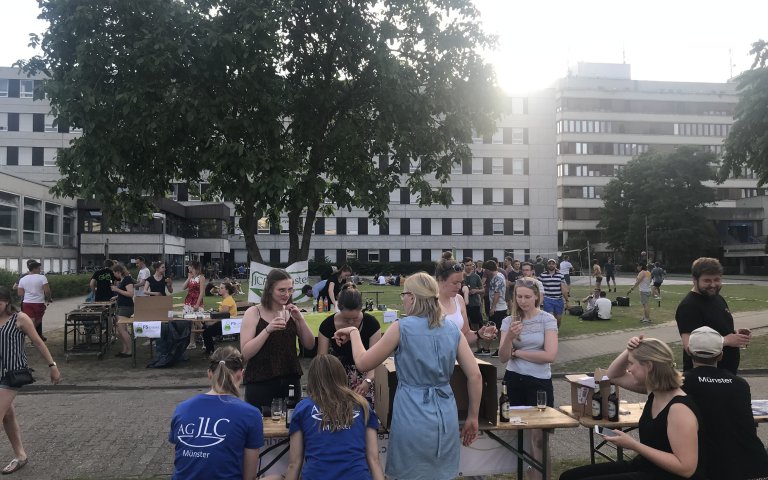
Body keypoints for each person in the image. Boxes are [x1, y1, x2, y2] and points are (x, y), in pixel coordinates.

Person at [333, 272, 482, 480]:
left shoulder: (401, 327)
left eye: (403, 294)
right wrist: (473, 416)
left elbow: (363, 362)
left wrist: (354, 333)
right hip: (445, 412)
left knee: (410, 473)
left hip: (412, 411)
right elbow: (475, 375)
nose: (402, 299)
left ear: (412, 297)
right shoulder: (450, 328)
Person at [560, 336, 705, 480]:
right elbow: (613, 375)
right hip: (646, 467)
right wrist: (629, 349)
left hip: (665, 475)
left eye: (631, 364)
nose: (628, 369)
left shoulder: (679, 409)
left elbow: (686, 468)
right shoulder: (654, 391)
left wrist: (633, 445)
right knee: (568, 476)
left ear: (648, 366)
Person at [681, 326, 768, 479]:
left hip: (709, 466)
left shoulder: (681, 382)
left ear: (688, 351)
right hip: (750, 463)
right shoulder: (740, 384)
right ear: (720, 355)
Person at [168, 346, 265, 480]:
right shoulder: (251, 414)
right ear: (241, 374)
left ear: (209, 374)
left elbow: (179, 463)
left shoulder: (182, 408)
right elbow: (249, 476)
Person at [285, 354, 384, 480]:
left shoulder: (302, 408)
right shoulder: (363, 405)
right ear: (341, 375)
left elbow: (294, 464)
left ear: (312, 379)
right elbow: (374, 459)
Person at [499, 277, 558, 480]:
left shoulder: (547, 319)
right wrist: (508, 338)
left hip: (539, 382)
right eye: (519, 296)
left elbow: (549, 356)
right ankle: (526, 476)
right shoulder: (509, 321)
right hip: (514, 380)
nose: (523, 301)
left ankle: (543, 477)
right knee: (519, 434)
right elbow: (502, 357)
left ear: (537, 297)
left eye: (527, 297)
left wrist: (518, 353)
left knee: (539, 438)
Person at [0, 286, 61, 475]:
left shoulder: (20, 318)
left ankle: (20, 456)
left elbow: (38, 341)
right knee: (7, 415)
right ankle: (20, 456)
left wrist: (52, 366)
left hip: (12, 374)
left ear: (7, 302)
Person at [240, 269, 315, 411]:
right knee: (260, 426)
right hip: (260, 380)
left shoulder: (292, 312)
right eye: (281, 290)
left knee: (290, 424)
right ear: (269, 290)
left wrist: (300, 320)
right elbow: (245, 353)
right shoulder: (254, 312)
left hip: (290, 379)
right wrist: (267, 330)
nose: (287, 294)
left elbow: (310, 344)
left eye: (290, 289)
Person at [675, 257, 748, 375]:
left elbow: (717, 328)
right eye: (707, 280)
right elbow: (689, 346)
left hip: (725, 373)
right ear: (694, 279)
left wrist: (735, 334)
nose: (713, 285)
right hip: (703, 376)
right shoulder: (689, 306)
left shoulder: (717, 298)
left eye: (717, 279)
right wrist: (727, 340)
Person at [316, 284, 381, 402]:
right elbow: (322, 360)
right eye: (346, 319)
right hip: (337, 377)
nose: (351, 322)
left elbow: (375, 360)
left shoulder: (371, 324)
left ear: (361, 309)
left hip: (367, 377)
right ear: (339, 309)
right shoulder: (327, 325)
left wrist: (368, 381)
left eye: (355, 318)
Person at [435, 259, 496, 355]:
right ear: (440, 280)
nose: (459, 287)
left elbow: (465, 335)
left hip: (455, 359)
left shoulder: (459, 300)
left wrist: (479, 334)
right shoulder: (428, 302)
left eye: (461, 282)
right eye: (455, 283)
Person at [17, 260, 51, 341]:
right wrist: (49, 299)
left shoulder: (23, 279)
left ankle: (27, 335)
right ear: (34, 269)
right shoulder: (42, 277)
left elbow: (20, 293)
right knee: (38, 321)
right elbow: (47, 291)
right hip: (38, 302)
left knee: (30, 321)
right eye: (39, 268)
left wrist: (29, 293)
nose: (40, 270)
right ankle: (28, 335)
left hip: (27, 303)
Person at [202, 282, 238, 355]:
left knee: (206, 332)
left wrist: (211, 323)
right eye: (220, 287)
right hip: (226, 323)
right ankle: (210, 349)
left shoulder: (227, 300)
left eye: (222, 288)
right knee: (206, 329)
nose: (219, 289)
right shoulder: (227, 299)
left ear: (227, 290)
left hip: (228, 325)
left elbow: (222, 317)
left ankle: (210, 351)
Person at [111, 263, 135, 358]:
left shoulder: (127, 279)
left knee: (122, 329)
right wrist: (117, 296)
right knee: (121, 330)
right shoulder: (123, 280)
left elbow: (130, 293)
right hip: (121, 306)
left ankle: (129, 351)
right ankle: (125, 350)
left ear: (118, 272)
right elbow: (124, 293)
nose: (114, 275)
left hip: (126, 307)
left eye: (114, 273)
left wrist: (117, 290)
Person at [483, 260, 507, 357]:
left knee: (496, 328)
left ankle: (498, 349)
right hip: (499, 306)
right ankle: (487, 348)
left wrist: (492, 308)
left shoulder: (497, 278)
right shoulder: (499, 275)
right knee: (495, 328)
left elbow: (497, 293)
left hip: (498, 307)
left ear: (488, 269)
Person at [539, 258, 569, 328]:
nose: (551, 265)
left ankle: (556, 329)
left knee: (558, 319)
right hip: (547, 299)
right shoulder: (542, 275)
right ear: (547, 265)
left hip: (559, 300)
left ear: (555, 265)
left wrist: (567, 300)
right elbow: (537, 285)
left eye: (553, 264)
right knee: (550, 317)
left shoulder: (560, 275)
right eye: (549, 264)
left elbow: (564, 289)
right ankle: (551, 332)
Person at [182, 260, 206, 349]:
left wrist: (197, 304)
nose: (188, 267)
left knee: (198, 322)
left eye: (189, 266)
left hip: (196, 301)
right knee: (191, 322)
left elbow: (202, 292)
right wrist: (188, 278)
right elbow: (183, 287)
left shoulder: (201, 277)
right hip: (188, 301)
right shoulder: (191, 278)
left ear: (193, 267)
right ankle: (192, 342)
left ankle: (206, 339)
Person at [463, 259, 484, 333]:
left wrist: (476, 291)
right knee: (464, 324)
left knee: (475, 324)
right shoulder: (460, 276)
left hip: (474, 303)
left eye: (470, 265)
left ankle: (477, 343)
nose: (469, 267)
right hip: (463, 304)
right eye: (467, 265)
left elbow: (483, 290)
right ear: (464, 265)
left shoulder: (476, 276)